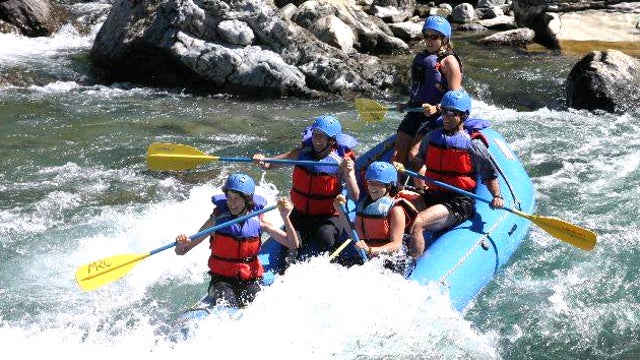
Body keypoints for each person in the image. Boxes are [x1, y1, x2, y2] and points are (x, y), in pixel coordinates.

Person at [174, 173, 299, 308]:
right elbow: (182, 251)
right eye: (229, 197)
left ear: (247, 200)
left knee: (259, 307)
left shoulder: (259, 221)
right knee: (227, 305)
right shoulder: (216, 221)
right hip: (221, 281)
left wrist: (285, 217)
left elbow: (292, 244)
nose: (231, 203)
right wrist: (181, 244)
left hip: (249, 280)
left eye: (237, 199)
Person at [405, 89, 504, 259]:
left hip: (458, 202)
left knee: (419, 222)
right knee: (399, 208)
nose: (446, 117)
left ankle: (412, 266)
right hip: (433, 194)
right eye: (444, 111)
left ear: (464, 116)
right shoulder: (432, 136)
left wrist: (497, 195)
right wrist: (420, 180)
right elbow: (419, 159)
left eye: (452, 113)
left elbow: (489, 175)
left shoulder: (473, 144)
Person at [252, 115, 360, 260]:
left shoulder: (339, 163)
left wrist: (350, 173)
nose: (317, 141)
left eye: (322, 137)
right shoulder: (299, 154)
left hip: (328, 216)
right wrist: (260, 160)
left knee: (325, 238)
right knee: (292, 246)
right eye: (315, 135)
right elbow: (269, 165)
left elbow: (355, 195)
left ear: (332, 140)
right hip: (301, 213)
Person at [392, 15, 463, 174]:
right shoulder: (422, 58)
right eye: (426, 36)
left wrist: (437, 108)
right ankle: (394, 190)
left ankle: (424, 190)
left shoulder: (449, 62)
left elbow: (455, 99)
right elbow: (420, 89)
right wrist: (405, 105)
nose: (429, 41)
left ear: (444, 39)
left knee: (413, 154)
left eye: (434, 37)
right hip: (415, 112)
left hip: (437, 116)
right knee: (396, 156)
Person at [334, 161, 419, 272]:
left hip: (391, 260)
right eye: (370, 182)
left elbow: (396, 245)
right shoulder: (364, 206)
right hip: (371, 258)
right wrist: (340, 210)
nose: (372, 187)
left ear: (389, 186)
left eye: (378, 183)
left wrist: (371, 250)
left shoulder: (396, 210)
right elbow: (354, 233)